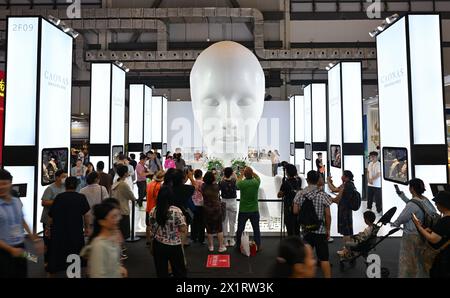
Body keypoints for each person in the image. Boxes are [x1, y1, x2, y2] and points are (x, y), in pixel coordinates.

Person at [0, 169, 43, 278]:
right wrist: (11, 249)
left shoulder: (16, 201)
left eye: (4, 183)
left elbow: (22, 220)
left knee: (23, 271)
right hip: (4, 251)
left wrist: (35, 239)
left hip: (20, 247)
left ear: (10, 184)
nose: (2, 187)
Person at [392, 178, 438, 278]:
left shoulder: (412, 205)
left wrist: (393, 224)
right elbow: (414, 205)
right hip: (423, 234)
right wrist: (401, 195)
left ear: (412, 189)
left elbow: (402, 218)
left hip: (411, 237)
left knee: (408, 262)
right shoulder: (424, 199)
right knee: (420, 260)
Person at [47, 177, 90, 275]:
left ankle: (55, 271)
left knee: (58, 251)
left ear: (65, 185)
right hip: (76, 230)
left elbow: (51, 215)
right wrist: (87, 228)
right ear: (76, 185)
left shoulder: (59, 197)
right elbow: (86, 215)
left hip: (59, 231)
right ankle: (74, 272)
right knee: (75, 251)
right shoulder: (81, 197)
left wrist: (48, 228)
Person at [293, 170, 332, 278]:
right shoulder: (323, 195)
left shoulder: (300, 194)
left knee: (305, 258)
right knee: (324, 259)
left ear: (307, 180)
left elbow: (295, 211)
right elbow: (328, 215)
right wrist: (328, 230)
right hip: (320, 230)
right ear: (318, 180)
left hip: (306, 231)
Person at [149, 187, 187, 278]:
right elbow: (183, 229)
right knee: (179, 272)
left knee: (161, 272)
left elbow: (152, 228)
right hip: (174, 245)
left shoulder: (153, 211)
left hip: (158, 244)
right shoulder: (176, 211)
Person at [82, 202, 127, 278]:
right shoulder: (99, 245)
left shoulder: (112, 238)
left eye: (118, 215)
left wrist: (119, 269)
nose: (118, 219)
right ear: (102, 222)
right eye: (113, 217)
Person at [412, 191, 450, 278]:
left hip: (443, 258)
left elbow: (433, 238)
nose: (436, 205)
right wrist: (431, 230)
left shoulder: (445, 221)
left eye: (437, 203)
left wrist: (419, 227)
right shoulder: (445, 218)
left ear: (443, 205)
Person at [40, 169, 67, 268]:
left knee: (58, 241)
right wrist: (57, 201)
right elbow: (44, 202)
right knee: (48, 241)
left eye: (66, 177)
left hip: (60, 220)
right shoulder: (50, 188)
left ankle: (56, 260)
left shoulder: (65, 187)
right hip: (48, 220)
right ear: (57, 177)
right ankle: (47, 261)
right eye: (63, 176)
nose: (65, 179)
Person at [327, 170, 356, 254]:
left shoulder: (346, 186)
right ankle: (348, 249)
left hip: (344, 211)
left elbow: (337, 197)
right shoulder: (348, 184)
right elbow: (335, 189)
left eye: (343, 175)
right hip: (346, 210)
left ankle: (346, 250)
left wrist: (330, 199)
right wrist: (329, 182)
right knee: (347, 231)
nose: (341, 177)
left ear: (346, 177)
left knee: (346, 232)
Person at [235, 167, 261, 250]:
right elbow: (258, 177)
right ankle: (258, 245)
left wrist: (242, 174)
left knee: (240, 229)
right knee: (256, 229)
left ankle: (239, 245)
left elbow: (237, 183)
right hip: (254, 210)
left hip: (243, 210)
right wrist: (252, 172)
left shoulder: (242, 184)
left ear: (245, 175)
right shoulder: (256, 182)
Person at [111, 165, 137, 241]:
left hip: (116, 209)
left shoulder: (116, 183)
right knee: (123, 234)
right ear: (125, 173)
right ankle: (121, 250)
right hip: (123, 210)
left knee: (118, 232)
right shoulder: (123, 184)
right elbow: (131, 196)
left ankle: (120, 250)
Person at [202, 171, 226, 252]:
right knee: (219, 228)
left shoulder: (203, 186)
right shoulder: (216, 186)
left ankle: (211, 246)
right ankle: (221, 247)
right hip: (216, 209)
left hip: (206, 209)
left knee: (209, 229)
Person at [172, 169, 196, 246]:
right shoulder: (187, 188)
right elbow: (195, 187)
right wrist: (191, 177)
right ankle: (182, 244)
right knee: (184, 228)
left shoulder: (169, 188)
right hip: (183, 211)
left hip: (171, 212)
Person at [277, 164, 302, 236]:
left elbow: (279, 195)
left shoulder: (285, 183)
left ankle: (291, 244)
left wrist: (284, 191)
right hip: (297, 207)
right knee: (297, 228)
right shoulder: (299, 181)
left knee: (290, 229)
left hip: (288, 207)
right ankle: (298, 244)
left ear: (287, 172)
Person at [219, 167, 238, 247]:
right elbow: (236, 179)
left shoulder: (221, 182)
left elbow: (220, 184)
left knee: (224, 222)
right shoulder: (234, 181)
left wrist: (223, 175)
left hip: (224, 202)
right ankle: (232, 239)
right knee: (232, 222)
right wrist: (234, 174)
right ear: (231, 173)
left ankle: (226, 240)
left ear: (224, 173)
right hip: (233, 202)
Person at [146, 171, 164, 245]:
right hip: (155, 209)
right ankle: (155, 241)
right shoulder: (159, 186)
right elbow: (158, 198)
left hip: (148, 207)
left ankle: (148, 240)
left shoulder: (149, 184)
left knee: (148, 225)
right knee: (156, 226)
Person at [191, 169, 205, 244]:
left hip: (193, 204)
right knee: (202, 222)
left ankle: (193, 237)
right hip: (201, 204)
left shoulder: (192, 182)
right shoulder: (202, 183)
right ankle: (201, 239)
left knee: (194, 221)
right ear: (201, 175)